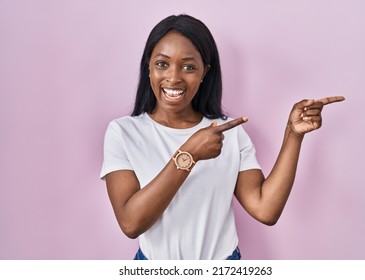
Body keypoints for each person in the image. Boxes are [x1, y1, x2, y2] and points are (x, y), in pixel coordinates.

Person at [100, 14, 345, 260]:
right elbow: (131, 223)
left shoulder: (229, 132)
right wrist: (189, 154)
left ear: (205, 72)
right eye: (162, 64)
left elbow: (266, 209)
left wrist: (293, 135)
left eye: (188, 67)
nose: (173, 77)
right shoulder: (123, 132)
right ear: (148, 67)